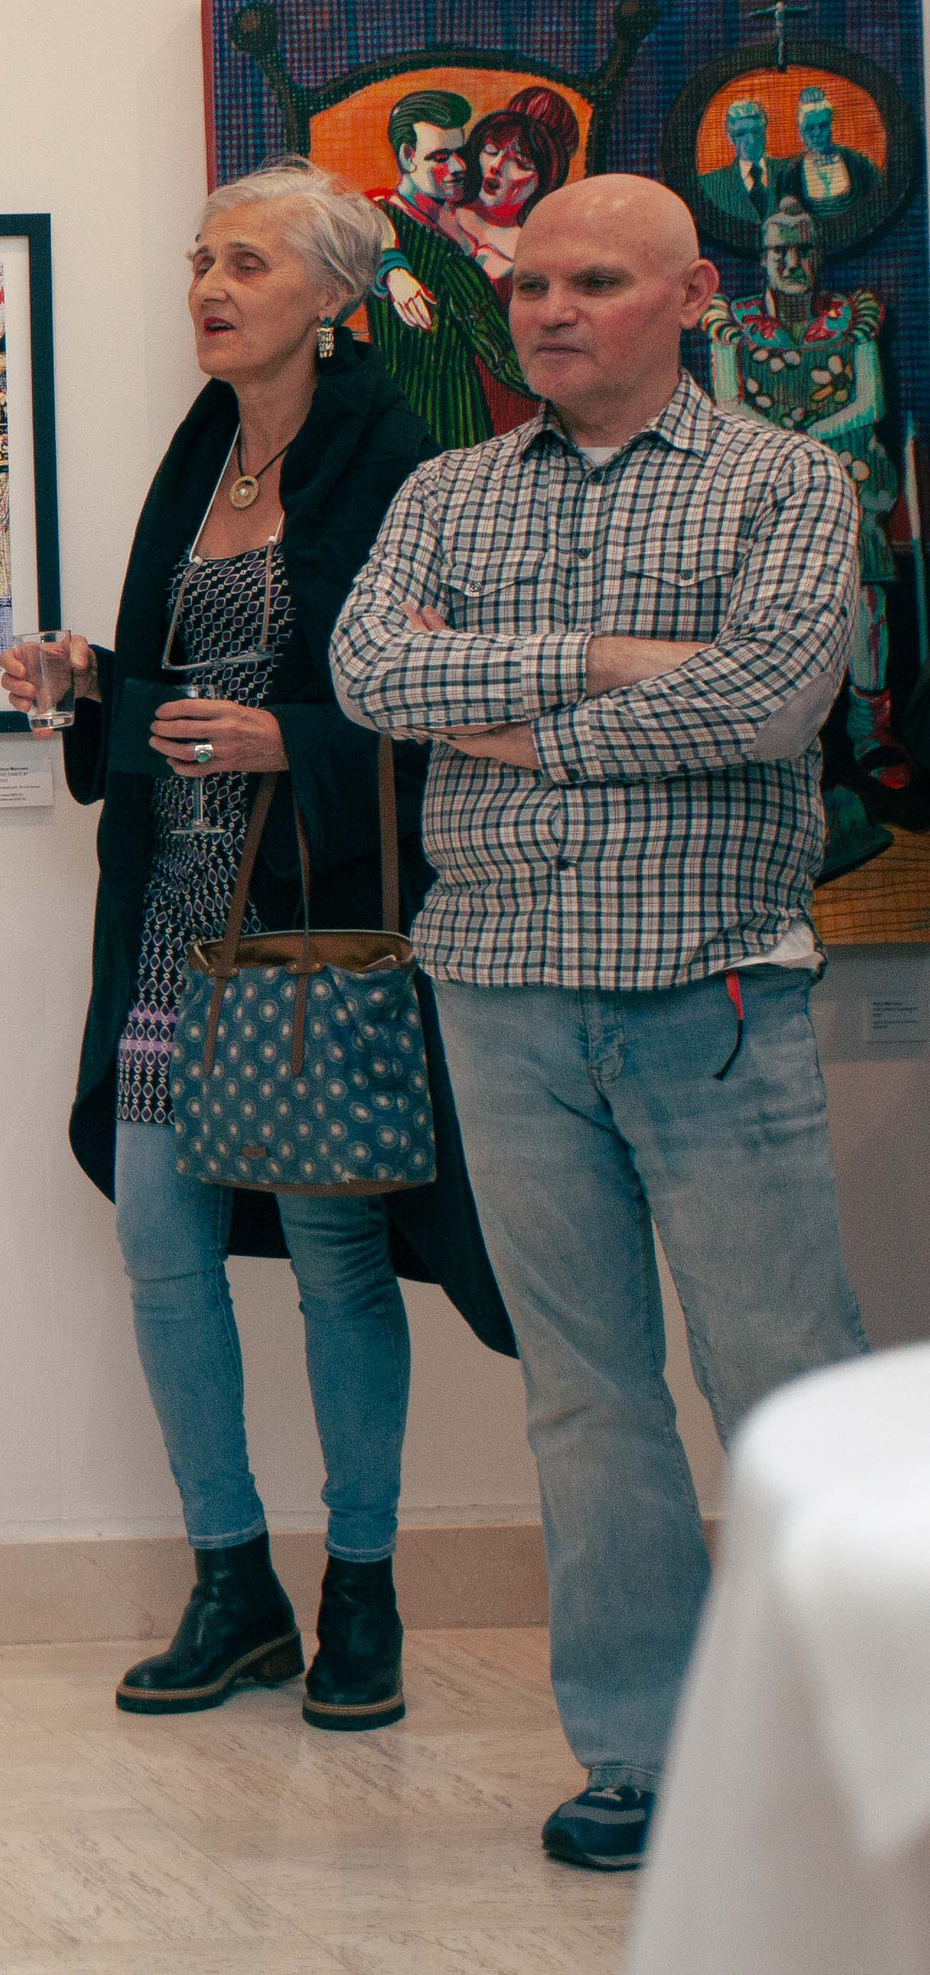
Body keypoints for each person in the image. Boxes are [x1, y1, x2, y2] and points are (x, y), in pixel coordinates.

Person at [330, 172, 872, 1872]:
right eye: (535, 283)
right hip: (498, 993)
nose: (551, 309)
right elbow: (370, 678)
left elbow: (776, 698)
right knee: (583, 1396)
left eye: (597, 282)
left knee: (786, 1390)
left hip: (707, 987)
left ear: (692, 295)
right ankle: (641, 1755)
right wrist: (632, 661)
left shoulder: (792, 479)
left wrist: (522, 712)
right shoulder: (443, 492)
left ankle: (860, 1759)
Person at [4, 158, 514, 1744]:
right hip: (173, 917)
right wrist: (89, 675)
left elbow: (449, 700)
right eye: (199, 260)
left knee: (338, 1254)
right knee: (161, 1243)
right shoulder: (202, 449)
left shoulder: (401, 464)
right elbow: (177, 675)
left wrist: (289, 737)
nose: (210, 288)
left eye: (246, 263)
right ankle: (233, 1582)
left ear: (336, 299)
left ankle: (361, 1584)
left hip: (314, 925)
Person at [708, 197, 907, 873]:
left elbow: (870, 402)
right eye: (778, 250)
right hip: (762, 488)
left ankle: (869, 726)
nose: (791, 262)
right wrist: (790, 455)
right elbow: (730, 406)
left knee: (865, 595)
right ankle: (786, 737)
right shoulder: (733, 323)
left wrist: (809, 447)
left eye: (802, 249)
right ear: (762, 256)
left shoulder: (851, 318)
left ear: (818, 254)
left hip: (847, 474)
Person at [366, 88, 532, 452]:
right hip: (447, 420)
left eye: (460, 153)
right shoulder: (411, 239)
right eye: (441, 156)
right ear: (407, 156)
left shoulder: (451, 226)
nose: (458, 167)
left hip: (404, 419)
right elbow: (501, 355)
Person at [443, 84, 580, 280]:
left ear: (546, 180)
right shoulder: (442, 211)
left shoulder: (541, 250)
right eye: (491, 149)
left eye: (521, 163)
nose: (497, 165)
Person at [778, 83, 887, 243]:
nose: (817, 133)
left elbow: (880, 198)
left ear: (831, 126)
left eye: (823, 126)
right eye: (810, 128)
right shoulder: (791, 171)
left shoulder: (857, 162)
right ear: (801, 132)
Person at [696, 93, 787, 236]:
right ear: (731, 138)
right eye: (741, 134)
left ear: (765, 132)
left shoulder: (788, 170)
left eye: (756, 131)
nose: (751, 140)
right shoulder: (711, 184)